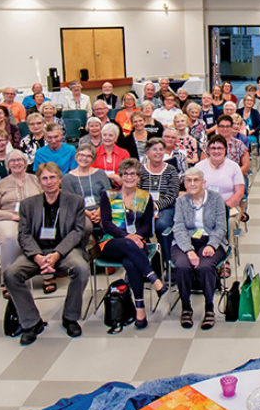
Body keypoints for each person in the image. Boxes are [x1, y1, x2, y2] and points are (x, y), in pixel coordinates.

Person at [4, 163, 89, 344]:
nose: (49, 182)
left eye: (52, 177)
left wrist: (57, 254)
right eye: (44, 178)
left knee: (81, 268)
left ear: (60, 179)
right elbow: (24, 234)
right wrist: (37, 256)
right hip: (37, 251)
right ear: (39, 182)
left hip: (65, 250)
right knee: (11, 273)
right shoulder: (28, 205)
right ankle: (31, 322)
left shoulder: (75, 201)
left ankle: (70, 317)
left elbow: (77, 231)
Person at [97, 159, 169, 329]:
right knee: (130, 246)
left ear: (138, 177)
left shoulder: (145, 197)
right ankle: (153, 278)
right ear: (120, 177)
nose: (129, 177)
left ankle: (140, 308)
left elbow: (146, 225)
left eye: (133, 174)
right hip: (111, 241)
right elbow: (107, 223)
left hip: (138, 241)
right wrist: (128, 236)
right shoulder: (108, 196)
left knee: (131, 262)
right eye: (125, 174)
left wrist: (137, 235)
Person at [170, 169, 227, 330]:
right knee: (182, 265)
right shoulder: (181, 201)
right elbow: (179, 227)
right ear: (185, 184)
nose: (193, 183)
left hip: (210, 240)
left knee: (205, 266)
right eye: (189, 180)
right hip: (186, 241)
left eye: (196, 180)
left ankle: (209, 308)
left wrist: (211, 245)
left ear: (204, 183)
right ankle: (186, 307)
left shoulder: (216, 199)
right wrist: (189, 250)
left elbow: (221, 227)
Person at [0, 149, 41, 286]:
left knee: (47, 231)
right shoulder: (0, 185)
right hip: (5, 219)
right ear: (7, 165)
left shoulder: (36, 180)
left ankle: (47, 275)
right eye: (12, 161)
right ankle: (9, 279)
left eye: (19, 160)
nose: (16, 163)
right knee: (10, 236)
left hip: (32, 218)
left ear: (25, 162)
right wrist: (13, 216)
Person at [140, 137, 181, 266]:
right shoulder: (140, 170)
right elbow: (136, 191)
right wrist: (148, 209)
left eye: (161, 149)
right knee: (138, 225)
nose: (158, 152)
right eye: (154, 149)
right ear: (147, 153)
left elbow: (172, 194)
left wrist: (156, 206)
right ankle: (144, 264)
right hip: (143, 207)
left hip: (166, 207)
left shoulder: (171, 170)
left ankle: (168, 263)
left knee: (161, 225)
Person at [193, 135, 245, 218]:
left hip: (229, 208)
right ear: (208, 150)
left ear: (225, 150)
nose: (216, 151)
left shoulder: (234, 167)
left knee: (229, 223)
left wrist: (226, 207)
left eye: (220, 148)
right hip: (204, 207)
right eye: (213, 148)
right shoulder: (199, 167)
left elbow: (239, 192)